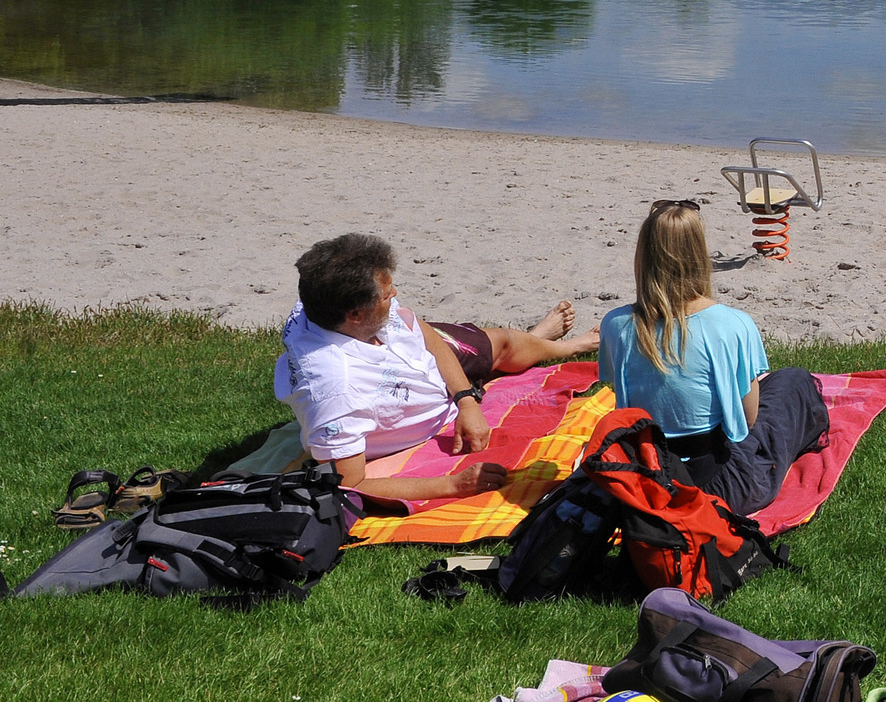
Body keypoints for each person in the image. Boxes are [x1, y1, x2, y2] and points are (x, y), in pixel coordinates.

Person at [275, 233, 599, 501]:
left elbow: (415, 325)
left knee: (503, 343)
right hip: (407, 377)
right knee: (502, 353)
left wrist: (466, 399)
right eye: (387, 295)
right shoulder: (336, 392)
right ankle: (549, 344)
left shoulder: (327, 299)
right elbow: (348, 485)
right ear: (356, 314)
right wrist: (452, 485)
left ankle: (556, 344)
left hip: (411, 354)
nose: (395, 294)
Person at [596, 199, 828, 515]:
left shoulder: (616, 326)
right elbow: (746, 422)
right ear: (698, 256)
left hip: (649, 482)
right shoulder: (732, 325)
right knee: (792, 382)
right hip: (721, 487)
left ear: (644, 256)